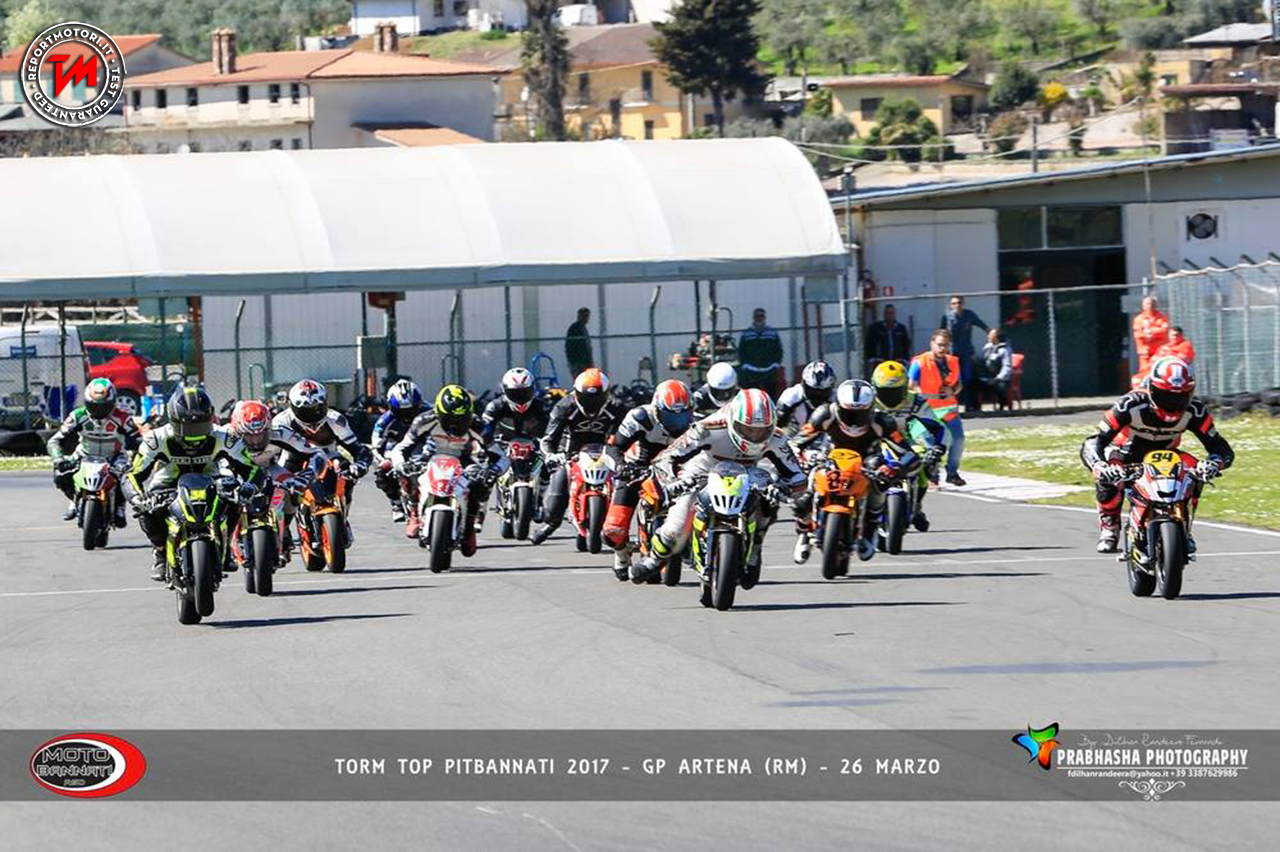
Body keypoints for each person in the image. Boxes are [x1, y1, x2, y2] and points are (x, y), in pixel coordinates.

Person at [629, 388, 808, 583]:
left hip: (747, 472)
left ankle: (755, 545)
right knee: (676, 526)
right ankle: (654, 559)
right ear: (733, 420)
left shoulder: (777, 438)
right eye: (748, 429)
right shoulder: (709, 428)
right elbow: (668, 456)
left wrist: (783, 488)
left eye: (762, 430)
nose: (755, 436)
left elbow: (798, 477)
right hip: (704, 468)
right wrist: (673, 482)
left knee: (769, 495)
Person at [1079, 356, 1232, 554]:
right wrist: (1099, 465)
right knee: (1109, 474)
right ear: (1151, 389)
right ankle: (1110, 526)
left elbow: (1219, 446)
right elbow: (1095, 440)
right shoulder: (1130, 404)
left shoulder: (1195, 411)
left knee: (1196, 470)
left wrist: (1214, 462)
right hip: (1126, 454)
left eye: (1180, 397)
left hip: (1167, 457)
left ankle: (1184, 526)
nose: (1173, 404)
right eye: (1165, 396)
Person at [124, 387, 258, 581]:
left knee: (235, 498)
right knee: (148, 509)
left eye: (201, 427)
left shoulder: (225, 437)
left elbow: (252, 469)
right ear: (173, 421)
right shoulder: (156, 439)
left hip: (211, 479)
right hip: (169, 482)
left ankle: (226, 545)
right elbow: (132, 474)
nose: (195, 436)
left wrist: (249, 487)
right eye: (188, 428)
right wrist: (137, 498)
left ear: (211, 419)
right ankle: (160, 552)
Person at [791, 380, 922, 561]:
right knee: (806, 484)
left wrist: (894, 468)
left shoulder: (882, 421)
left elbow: (908, 453)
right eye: (848, 413)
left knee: (881, 479)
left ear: (870, 409)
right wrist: (800, 454)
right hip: (831, 458)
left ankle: (870, 529)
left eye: (860, 414)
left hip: (866, 463)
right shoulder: (825, 414)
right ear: (838, 407)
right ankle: (804, 532)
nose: (853, 420)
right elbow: (798, 440)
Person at [391, 385, 506, 550]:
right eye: (450, 418)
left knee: (482, 482)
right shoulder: (424, 420)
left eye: (461, 419)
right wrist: (401, 464)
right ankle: (414, 512)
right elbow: (401, 448)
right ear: (439, 412)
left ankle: (469, 523)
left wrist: (493, 471)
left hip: (463, 459)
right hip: (430, 457)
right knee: (407, 473)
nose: (455, 424)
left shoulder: (478, 425)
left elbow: (501, 456)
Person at [602, 379, 694, 579]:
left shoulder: (698, 425)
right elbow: (613, 447)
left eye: (683, 416)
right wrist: (621, 467)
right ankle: (622, 554)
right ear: (657, 409)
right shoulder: (640, 417)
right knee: (612, 530)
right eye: (670, 416)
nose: (677, 423)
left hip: (678, 472)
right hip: (639, 468)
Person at [530, 368, 627, 545]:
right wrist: (551, 456)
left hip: (606, 452)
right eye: (587, 398)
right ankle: (552, 523)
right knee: (555, 498)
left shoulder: (617, 407)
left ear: (606, 395)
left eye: (597, 398)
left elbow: (627, 436)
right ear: (577, 393)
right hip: (570, 453)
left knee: (627, 484)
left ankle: (623, 526)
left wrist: (626, 456)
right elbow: (548, 439)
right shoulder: (564, 406)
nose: (592, 403)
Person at [273, 380, 373, 542]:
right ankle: (283, 530)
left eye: (317, 409)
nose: (312, 416)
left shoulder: (336, 419)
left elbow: (358, 448)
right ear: (292, 407)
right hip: (294, 457)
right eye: (306, 411)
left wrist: (360, 464)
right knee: (281, 487)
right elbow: (270, 451)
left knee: (348, 476)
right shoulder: (281, 422)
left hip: (329, 455)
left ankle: (342, 518)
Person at [227, 399, 320, 558]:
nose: (256, 441)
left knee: (295, 488)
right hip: (237, 472)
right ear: (238, 431)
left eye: (261, 435)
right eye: (249, 436)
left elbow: (316, 453)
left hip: (269, 468)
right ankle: (225, 538)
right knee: (225, 495)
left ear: (268, 428)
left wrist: (309, 474)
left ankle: (286, 528)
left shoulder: (280, 432)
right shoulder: (227, 436)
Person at [47, 377, 142, 525]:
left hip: (114, 456)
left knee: (127, 476)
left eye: (104, 406)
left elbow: (139, 442)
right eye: (93, 406)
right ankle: (73, 500)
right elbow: (54, 440)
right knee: (60, 473)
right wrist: (58, 458)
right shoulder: (77, 416)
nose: (98, 411)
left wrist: (134, 462)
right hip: (84, 454)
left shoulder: (123, 418)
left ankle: (120, 506)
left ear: (113, 403)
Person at [870, 360, 946, 532]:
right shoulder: (868, 400)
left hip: (905, 441)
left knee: (927, 461)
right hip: (874, 440)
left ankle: (916, 505)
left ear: (905, 387)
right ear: (875, 388)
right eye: (885, 391)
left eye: (896, 391)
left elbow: (937, 426)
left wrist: (937, 447)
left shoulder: (916, 401)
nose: (891, 396)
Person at [908, 329, 967, 487]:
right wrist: (923, 394)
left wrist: (952, 390)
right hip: (927, 409)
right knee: (932, 442)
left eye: (946, 345)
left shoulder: (953, 362)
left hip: (947, 407)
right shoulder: (920, 362)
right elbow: (911, 385)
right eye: (940, 345)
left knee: (958, 439)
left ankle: (952, 472)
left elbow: (959, 384)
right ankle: (933, 475)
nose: (942, 348)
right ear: (932, 344)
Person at [370, 379, 424, 524]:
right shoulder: (384, 421)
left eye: (411, 410)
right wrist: (382, 460)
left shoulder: (429, 413)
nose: (407, 416)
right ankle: (396, 503)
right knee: (382, 470)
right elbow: (376, 443)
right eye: (401, 411)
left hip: (422, 447)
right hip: (395, 449)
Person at [939, 295, 989, 411]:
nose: (957, 305)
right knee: (953, 380)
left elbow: (981, 324)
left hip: (966, 352)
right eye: (954, 303)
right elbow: (941, 333)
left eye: (959, 303)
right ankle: (952, 407)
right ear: (951, 305)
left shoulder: (969, 315)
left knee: (968, 379)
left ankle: (969, 406)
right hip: (952, 353)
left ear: (963, 303)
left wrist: (990, 332)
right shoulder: (947, 317)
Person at [776, 359, 837, 435]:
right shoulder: (792, 395)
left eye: (822, 391)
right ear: (804, 384)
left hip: (828, 440)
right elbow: (776, 424)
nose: (817, 395)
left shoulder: (837, 398)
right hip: (793, 439)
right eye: (813, 390)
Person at [737, 308, 783, 395]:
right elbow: (741, 351)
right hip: (751, 369)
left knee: (771, 395)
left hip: (769, 369)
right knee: (753, 395)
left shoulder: (772, 333)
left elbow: (778, 349)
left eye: (761, 316)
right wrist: (744, 364)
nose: (759, 318)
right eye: (757, 316)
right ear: (753, 318)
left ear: (764, 317)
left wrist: (776, 363)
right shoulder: (746, 333)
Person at [863, 304, 913, 375]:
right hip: (880, 363)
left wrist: (904, 359)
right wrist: (873, 359)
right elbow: (869, 344)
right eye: (887, 313)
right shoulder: (876, 328)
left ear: (895, 314)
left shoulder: (901, 328)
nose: (889, 315)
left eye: (891, 313)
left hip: (897, 364)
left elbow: (906, 345)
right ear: (884, 314)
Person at [1132, 295, 1170, 377]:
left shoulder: (1162, 318)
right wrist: (1152, 333)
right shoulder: (1139, 319)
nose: (1150, 306)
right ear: (1143, 306)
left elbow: (1164, 331)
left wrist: (1151, 332)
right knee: (1145, 373)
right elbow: (1138, 334)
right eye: (1147, 304)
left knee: (1160, 371)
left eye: (1152, 304)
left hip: (1159, 352)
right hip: (1145, 353)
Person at [978, 328, 1015, 411]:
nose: (988, 336)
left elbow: (1007, 366)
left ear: (996, 337)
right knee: (972, 384)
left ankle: (1002, 406)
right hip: (987, 376)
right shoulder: (987, 347)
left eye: (990, 335)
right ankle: (974, 408)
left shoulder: (1005, 350)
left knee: (1001, 386)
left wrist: (997, 378)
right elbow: (981, 360)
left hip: (999, 378)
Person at [565, 307, 594, 378]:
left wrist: (589, 361)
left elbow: (587, 346)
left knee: (587, 380)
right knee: (580, 380)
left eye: (587, 316)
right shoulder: (574, 328)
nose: (586, 318)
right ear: (579, 316)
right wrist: (574, 361)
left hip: (585, 362)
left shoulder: (583, 328)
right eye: (583, 316)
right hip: (577, 362)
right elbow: (570, 346)